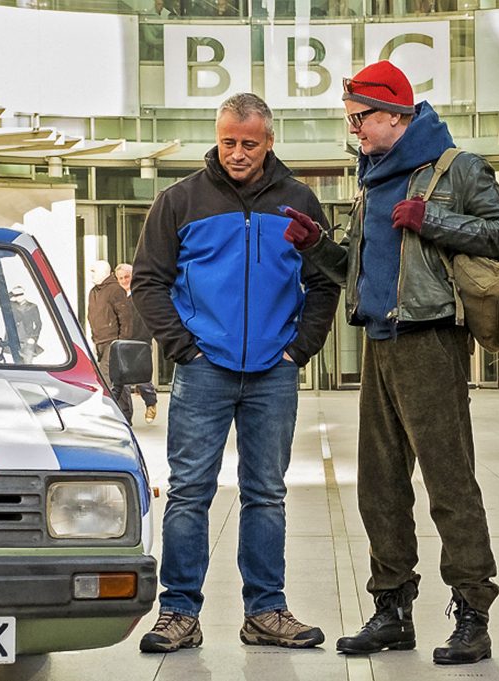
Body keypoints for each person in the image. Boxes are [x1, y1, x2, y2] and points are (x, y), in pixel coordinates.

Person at [285, 60, 499, 665]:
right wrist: (318, 247)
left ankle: (473, 613)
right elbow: (362, 277)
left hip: (431, 343)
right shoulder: (372, 179)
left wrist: (435, 219)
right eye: (352, 121)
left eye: (360, 119)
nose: (355, 131)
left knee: (450, 484)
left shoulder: (456, 168)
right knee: (380, 488)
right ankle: (392, 609)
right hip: (380, 345)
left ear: (395, 114)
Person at [132, 92, 340, 653]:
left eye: (249, 143)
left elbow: (325, 281)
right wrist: (183, 347)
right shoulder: (180, 201)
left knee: (266, 494)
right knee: (189, 492)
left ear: (269, 141)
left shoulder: (298, 202)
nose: (238, 153)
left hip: (274, 371)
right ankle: (178, 612)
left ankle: (266, 611)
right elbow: (148, 281)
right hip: (204, 370)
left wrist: (301, 349)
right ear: (218, 136)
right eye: (229, 142)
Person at [87, 260, 135, 420]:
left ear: (104, 272)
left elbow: (125, 317)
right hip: (99, 341)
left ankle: (113, 413)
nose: (91, 274)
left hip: (113, 341)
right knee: (117, 378)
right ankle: (124, 413)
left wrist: (122, 342)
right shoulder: (94, 291)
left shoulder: (115, 289)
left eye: (94, 271)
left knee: (108, 377)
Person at [116, 263, 159, 424]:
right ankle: (126, 416)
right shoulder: (117, 296)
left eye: (127, 277)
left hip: (140, 340)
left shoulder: (142, 294)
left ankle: (151, 402)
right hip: (122, 341)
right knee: (122, 380)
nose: (124, 281)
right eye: (120, 278)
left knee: (142, 377)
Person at [9, 286, 42, 363]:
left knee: (27, 361)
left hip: (28, 337)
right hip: (14, 336)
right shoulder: (12, 305)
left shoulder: (32, 306)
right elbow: (4, 300)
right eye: (16, 295)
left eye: (20, 294)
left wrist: (34, 337)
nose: (18, 297)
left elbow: (38, 324)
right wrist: (11, 295)